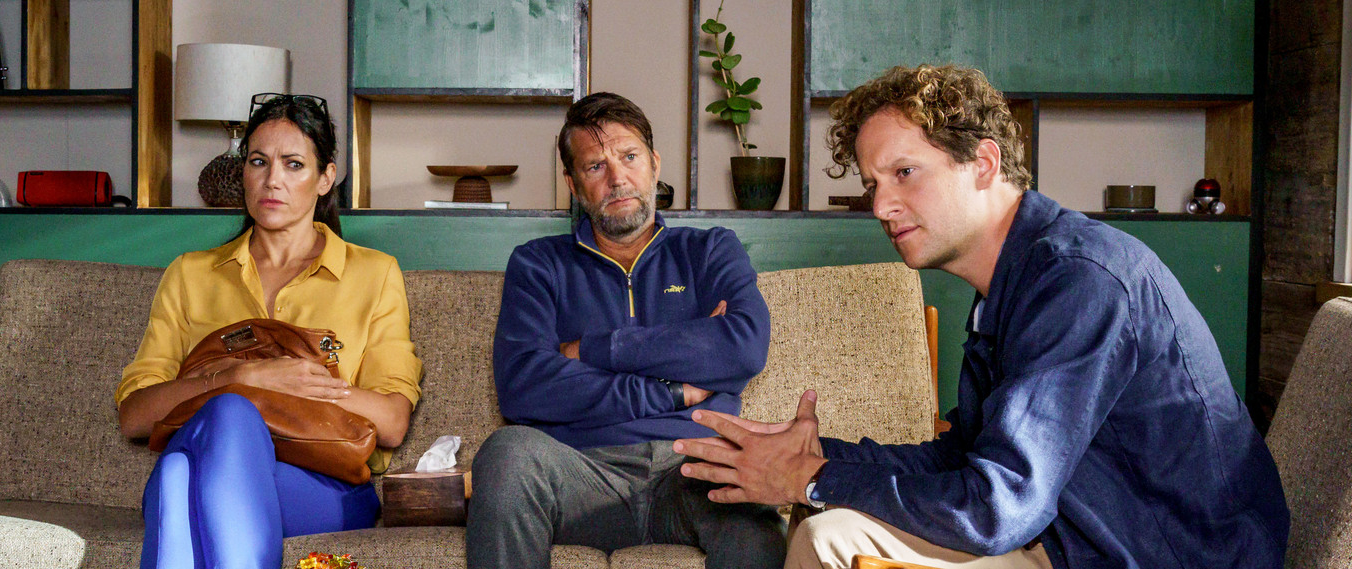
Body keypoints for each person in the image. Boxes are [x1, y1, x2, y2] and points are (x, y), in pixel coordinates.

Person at [672, 65, 1290, 569]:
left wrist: (811, 479)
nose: (882, 205)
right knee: (833, 528)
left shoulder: (1078, 281)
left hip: (1165, 555)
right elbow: (965, 459)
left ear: (984, 164)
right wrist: (817, 455)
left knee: (827, 537)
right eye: (873, 184)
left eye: (904, 173)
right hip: (1073, 535)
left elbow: (997, 506)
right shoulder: (1013, 281)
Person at [466, 92, 785, 569]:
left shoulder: (710, 251)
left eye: (630, 157)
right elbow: (523, 385)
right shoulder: (538, 264)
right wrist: (672, 391)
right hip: (579, 471)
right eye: (595, 166)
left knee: (749, 496)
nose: (617, 179)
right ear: (573, 184)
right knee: (507, 454)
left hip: (693, 468)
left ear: (654, 164)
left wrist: (592, 349)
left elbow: (743, 347)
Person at [116, 93, 422, 569]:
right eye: (258, 162)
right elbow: (135, 415)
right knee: (226, 416)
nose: (272, 179)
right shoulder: (190, 273)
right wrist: (240, 380)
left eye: (294, 164)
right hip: (212, 460)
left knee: (178, 477)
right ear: (243, 172)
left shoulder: (374, 273)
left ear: (326, 178)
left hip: (323, 484)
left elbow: (392, 421)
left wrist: (298, 383)